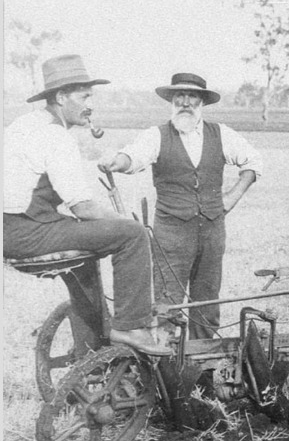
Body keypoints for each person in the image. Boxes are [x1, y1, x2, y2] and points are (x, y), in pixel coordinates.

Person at [4, 54, 171, 356]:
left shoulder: (25, 124)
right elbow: (82, 206)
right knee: (132, 234)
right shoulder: (55, 136)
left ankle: (90, 347)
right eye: (84, 96)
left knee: (89, 248)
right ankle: (131, 326)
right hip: (26, 232)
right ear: (60, 96)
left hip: (14, 230)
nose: (89, 103)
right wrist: (122, 223)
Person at [101, 73, 263, 340]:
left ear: (202, 102)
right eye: (180, 97)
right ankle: (165, 372)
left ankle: (202, 375)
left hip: (212, 232)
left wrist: (231, 197)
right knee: (167, 306)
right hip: (171, 235)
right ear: (172, 101)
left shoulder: (221, 134)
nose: (186, 102)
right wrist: (115, 162)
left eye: (192, 96)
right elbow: (133, 157)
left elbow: (254, 162)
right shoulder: (156, 135)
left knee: (207, 304)